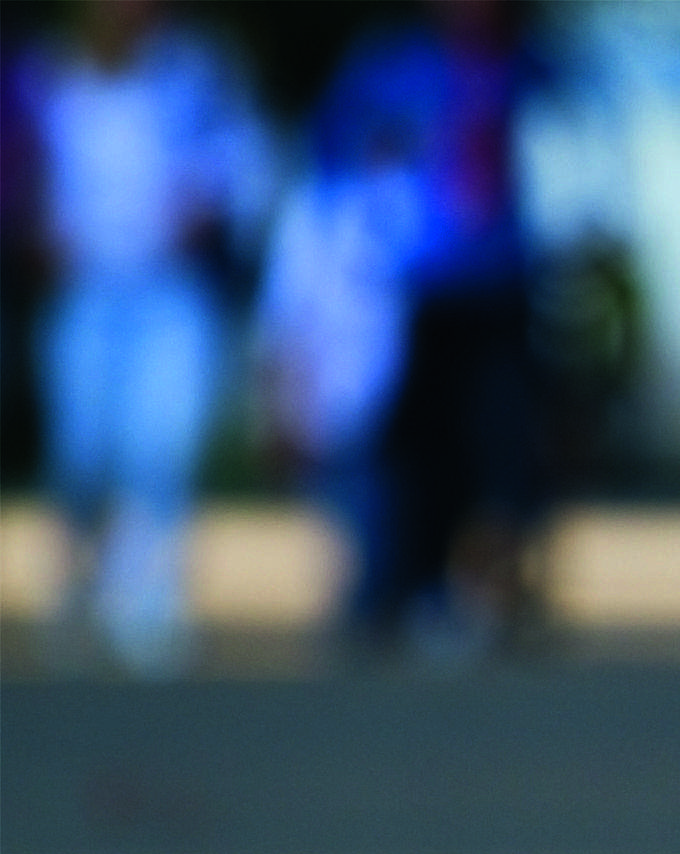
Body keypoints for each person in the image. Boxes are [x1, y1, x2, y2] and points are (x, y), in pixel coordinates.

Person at [14, 0, 267, 676]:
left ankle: (149, 605)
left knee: (160, 446)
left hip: (169, 292)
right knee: (83, 449)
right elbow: (21, 173)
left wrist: (207, 207)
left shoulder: (198, 75)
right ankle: (76, 582)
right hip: (87, 293)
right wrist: (36, 234)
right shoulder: (49, 77)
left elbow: (245, 165)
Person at [312, 0, 549, 660]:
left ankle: (494, 593)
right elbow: (334, 169)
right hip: (409, 293)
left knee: (504, 451)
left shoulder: (532, 73)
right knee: (405, 450)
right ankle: (393, 588)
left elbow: (579, 164)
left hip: (505, 287)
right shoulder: (390, 71)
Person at [252, 143, 426, 649]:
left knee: (392, 503)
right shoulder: (317, 207)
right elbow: (287, 317)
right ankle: (368, 606)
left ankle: (390, 602)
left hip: (406, 393)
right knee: (351, 511)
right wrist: (283, 405)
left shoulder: (418, 196)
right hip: (338, 395)